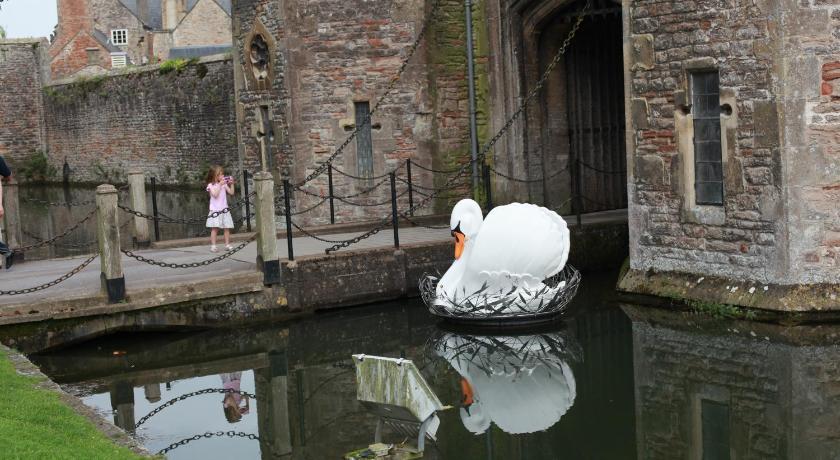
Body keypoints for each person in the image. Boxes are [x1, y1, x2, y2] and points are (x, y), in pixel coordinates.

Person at [205, 165, 235, 253]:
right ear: (214, 176)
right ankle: (213, 246)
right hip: (215, 210)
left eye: (222, 174)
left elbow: (231, 193)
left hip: (224, 209)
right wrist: (219, 185)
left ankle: (227, 244)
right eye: (219, 174)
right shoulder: (210, 185)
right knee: (215, 229)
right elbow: (215, 195)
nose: (222, 176)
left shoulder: (224, 184)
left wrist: (232, 184)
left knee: (227, 228)